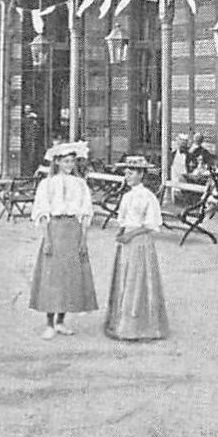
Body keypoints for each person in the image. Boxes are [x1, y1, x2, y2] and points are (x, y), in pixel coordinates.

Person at [29, 141, 97, 340]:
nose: (69, 165)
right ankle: (49, 323)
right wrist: (47, 239)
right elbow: (42, 212)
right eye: (66, 161)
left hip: (73, 230)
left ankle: (61, 321)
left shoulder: (80, 184)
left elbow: (85, 213)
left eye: (72, 162)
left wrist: (83, 240)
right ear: (57, 162)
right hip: (55, 230)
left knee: (69, 277)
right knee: (53, 278)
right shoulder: (47, 184)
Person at [104, 157, 168, 341]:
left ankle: (141, 326)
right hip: (127, 241)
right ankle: (121, 323)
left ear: (141, 174)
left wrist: (130, 235)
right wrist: (122, 232)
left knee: (138, 280)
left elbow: (151, 224)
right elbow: (123, 219)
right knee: (124, 279)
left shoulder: (148, 196)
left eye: (131, 173)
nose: (127, 176)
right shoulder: (126, 196)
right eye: (126, 173)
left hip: (140, 240)